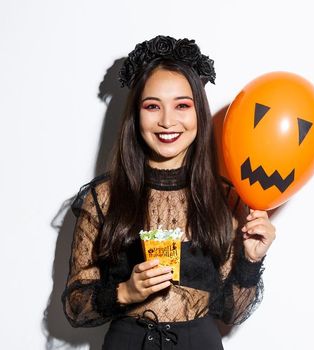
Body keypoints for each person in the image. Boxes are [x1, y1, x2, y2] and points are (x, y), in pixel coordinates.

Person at [62, 35, 276, 350]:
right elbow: (75, 308)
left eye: (181, 105)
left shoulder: (224, 196)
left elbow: (233, 311)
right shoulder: (104, 197)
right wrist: (125, 292)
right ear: (136, 115)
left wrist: (251, 260)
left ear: (199, 113)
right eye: (152, 106)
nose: (166, 121)